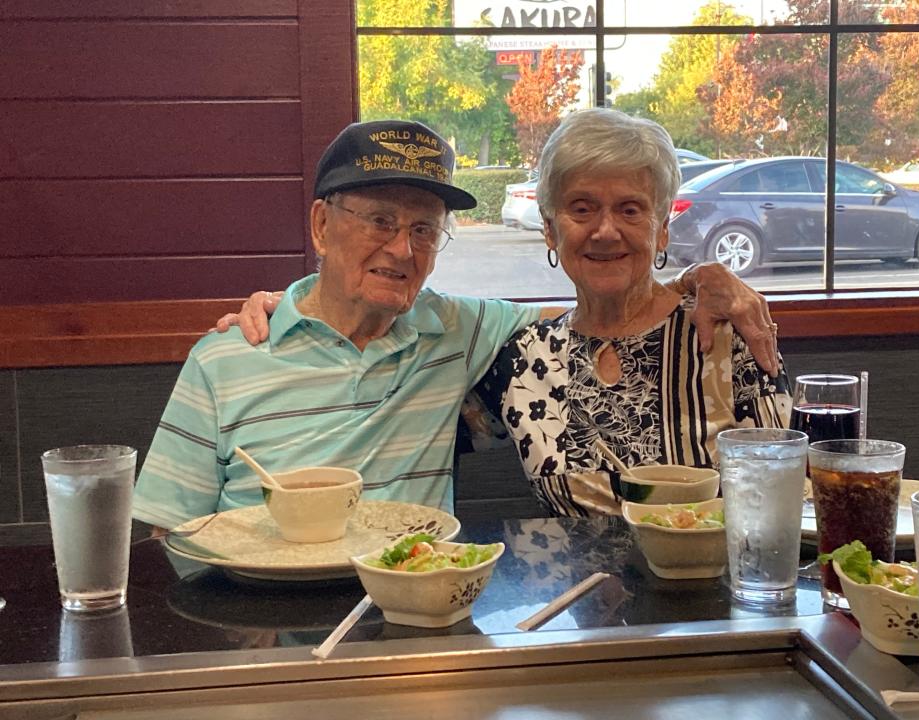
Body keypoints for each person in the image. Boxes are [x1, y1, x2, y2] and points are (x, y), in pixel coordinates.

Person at [134, 118, 778, 530]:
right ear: (321, 226)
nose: (403, 250)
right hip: (265, 628)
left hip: (417, 612)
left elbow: (791, 504)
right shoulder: (227, 355)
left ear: (662, 225)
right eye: (380, 221)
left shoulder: (474, 336)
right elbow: (168, 535)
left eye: (423, 229)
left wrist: (699, 278)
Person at [473, 108, 791, 517]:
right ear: (550, 230)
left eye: (630, 209)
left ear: (662, 230)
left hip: (710, 580)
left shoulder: (728, 338)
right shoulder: (526, 359)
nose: (606, 231)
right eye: (582, 209)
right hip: (572, 582)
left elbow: (784, 500)